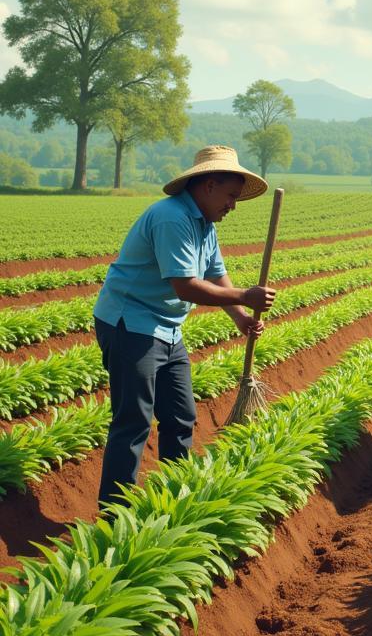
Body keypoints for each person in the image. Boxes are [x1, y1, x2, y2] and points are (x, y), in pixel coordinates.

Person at [94, 145, 277, 505]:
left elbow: (215, 273)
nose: (233, 205)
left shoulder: (204, 223)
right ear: (208, 185)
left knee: (180, 415)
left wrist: (240, 317)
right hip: (130, 323)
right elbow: (186, 285)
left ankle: (173, 503)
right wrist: (244, 297)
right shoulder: (172, 218)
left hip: (167, 328)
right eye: (230, 196)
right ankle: (114, 515)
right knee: (133, 421)